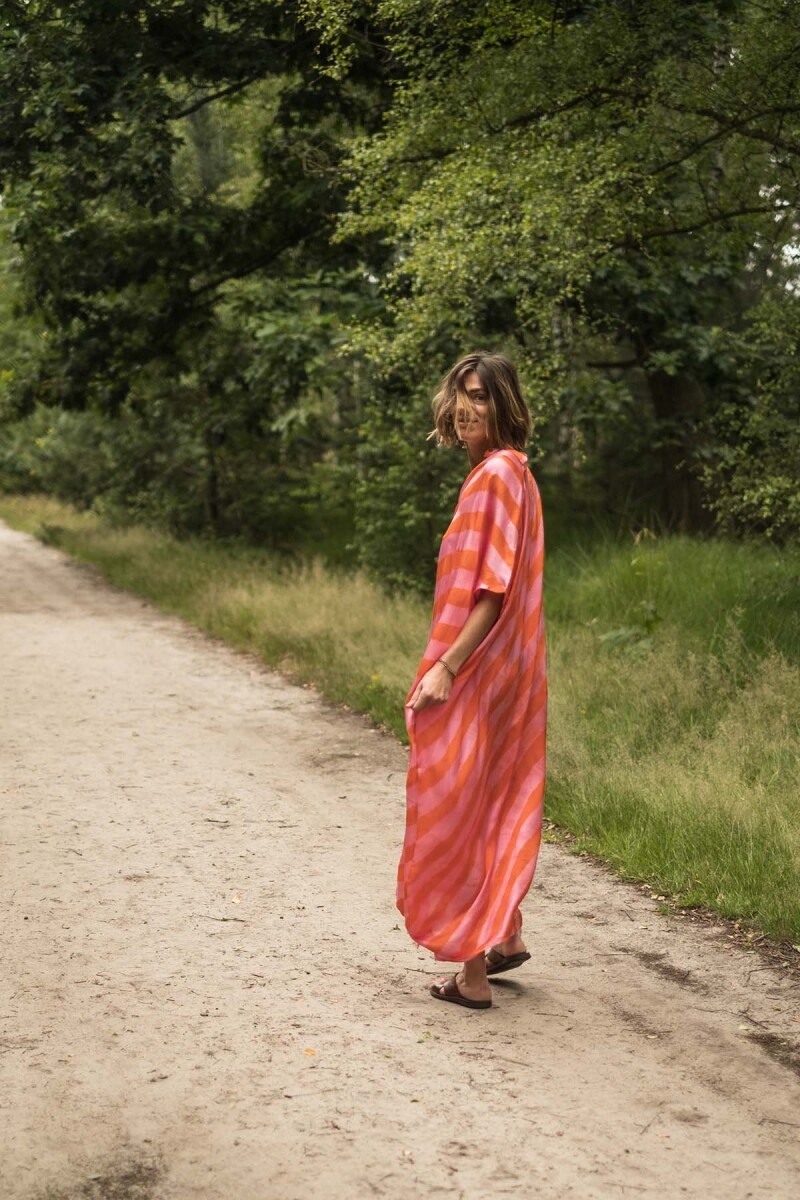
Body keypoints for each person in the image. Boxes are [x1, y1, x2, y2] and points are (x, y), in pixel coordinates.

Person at [399, 351, 547, 1011]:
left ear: (504, 405)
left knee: (458, 802)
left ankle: (472, 976)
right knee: (490, 796)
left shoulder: (493, 476)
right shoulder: (518, 475)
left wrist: (445, 668)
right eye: (461, 394)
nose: (465, 408)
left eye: (481, 397)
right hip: (510, 670)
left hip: (480, 669)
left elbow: (489, 594)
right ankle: (502, 939)